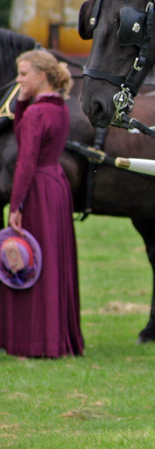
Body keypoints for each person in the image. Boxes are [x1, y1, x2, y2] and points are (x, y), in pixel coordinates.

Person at [0, 50, 83, 358]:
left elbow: (25, 160)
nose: (19, 80)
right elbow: (26, 136)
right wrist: (22, 101)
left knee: (31, 261)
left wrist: (15, 205)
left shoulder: (38, 113)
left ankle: (34, 342)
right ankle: (56, 339)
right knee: (52, 260)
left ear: (41, 76)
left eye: (24, 74)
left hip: (36, 188)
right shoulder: (58, 107)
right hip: (56, 186)